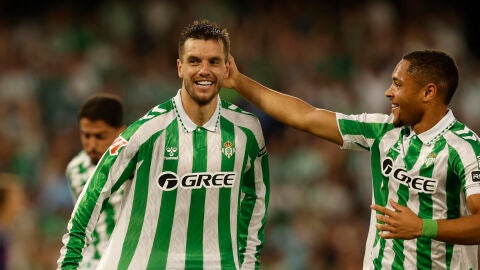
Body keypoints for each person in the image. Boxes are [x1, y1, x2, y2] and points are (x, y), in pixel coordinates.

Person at [223, 50, 480, 269]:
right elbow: (305, 116)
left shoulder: (465, 148)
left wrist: (424, 227)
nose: (388, 92)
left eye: (398, 84)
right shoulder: (383, 131)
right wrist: (238, 81)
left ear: (428, 92)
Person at [57, 19, 270, 269]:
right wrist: (69, 265)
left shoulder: (247, 130)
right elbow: (91, 197)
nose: (204, 70)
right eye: (194, 61)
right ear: (180, 67)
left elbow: (255, 201)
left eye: (213, 61)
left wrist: (248, 265)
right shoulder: (147, 131)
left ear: (227, 68)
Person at [65, 93, 126, 269]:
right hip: (92, 263)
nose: (91, 144)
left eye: (100, 136)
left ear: (121, 132)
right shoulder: (76, 170)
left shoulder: (140, 164)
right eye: (86, 135)